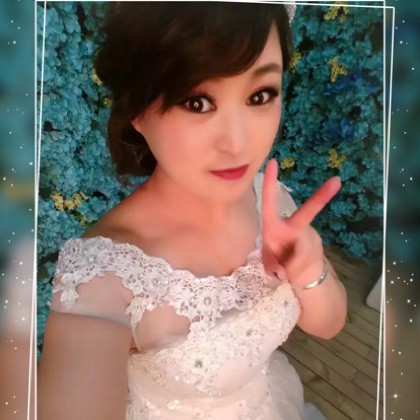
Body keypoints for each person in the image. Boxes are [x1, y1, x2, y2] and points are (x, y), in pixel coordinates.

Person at [38, 2, 347, 419]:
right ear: (136, 109)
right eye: (197, 102)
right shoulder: (103, 278)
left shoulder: (269, 198)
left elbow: (329, 325)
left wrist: (308, 269)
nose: (238, 144)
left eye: (260, 95)